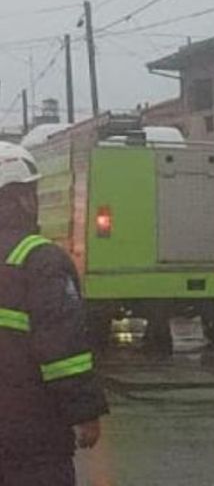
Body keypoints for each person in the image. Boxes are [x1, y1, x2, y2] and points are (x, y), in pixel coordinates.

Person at [0, 143, 108, 485]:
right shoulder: (40, 260)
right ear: (23, 198)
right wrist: (86, 412)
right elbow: (64, 351)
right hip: (30, 435)